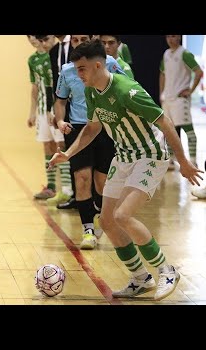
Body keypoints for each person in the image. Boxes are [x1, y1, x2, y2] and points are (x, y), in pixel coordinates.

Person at [49, 39, 203, 301]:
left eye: (83, 69)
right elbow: (92, 128)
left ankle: (167, 270)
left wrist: (184, 162)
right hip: (123, 156)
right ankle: (141, 279)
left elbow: (165, 121)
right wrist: (68, 153)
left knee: (122, 215)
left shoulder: (126, 90)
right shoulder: (91, 92)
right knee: (107, 220)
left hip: (150, 155)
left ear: (98, 66)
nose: (79, 74)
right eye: (76, 69)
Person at [54, 35, 125, 250]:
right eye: (75, 39)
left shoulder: (109, 64)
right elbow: (60, 101)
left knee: (101, 183)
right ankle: (88, 230)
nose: (78, 42)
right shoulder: (67, 71)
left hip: (105, 128)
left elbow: (123, 89)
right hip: (78, 129)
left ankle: (102, 217)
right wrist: (60, 120)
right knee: (82, 179)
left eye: (83, 38)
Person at [27, 35, 70, 201]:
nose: (36, 40)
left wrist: (55, 108)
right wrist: (32, 112)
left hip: (55, 108)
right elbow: (35, 87)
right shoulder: (32, 60)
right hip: (43, 109)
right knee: (47, 146)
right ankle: (51, 187)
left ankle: (66, 189)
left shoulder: (57, 55)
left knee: (61, 144)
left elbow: (57, 84)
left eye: (44, 38)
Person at [159, 34, 203, 170]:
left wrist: (190, 90)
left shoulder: (185, 53)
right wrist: (162, 93)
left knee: (188, 131)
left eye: (174, 36)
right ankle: (171, 160)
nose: (172, 39)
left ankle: (193, 161)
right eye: (169, 37)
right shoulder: (166, 54)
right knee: (169, 131)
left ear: (179, 37)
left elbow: (199, 72)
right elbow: (162, 74)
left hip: (180, 100)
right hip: (167, 99)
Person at [48, 35, 75, 207]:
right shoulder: (54, 51)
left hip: (80, 104)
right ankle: (74, 194)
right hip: (63, 105)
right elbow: (55, 82)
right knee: (69, 146)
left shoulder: (77, 42)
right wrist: (54, 108)